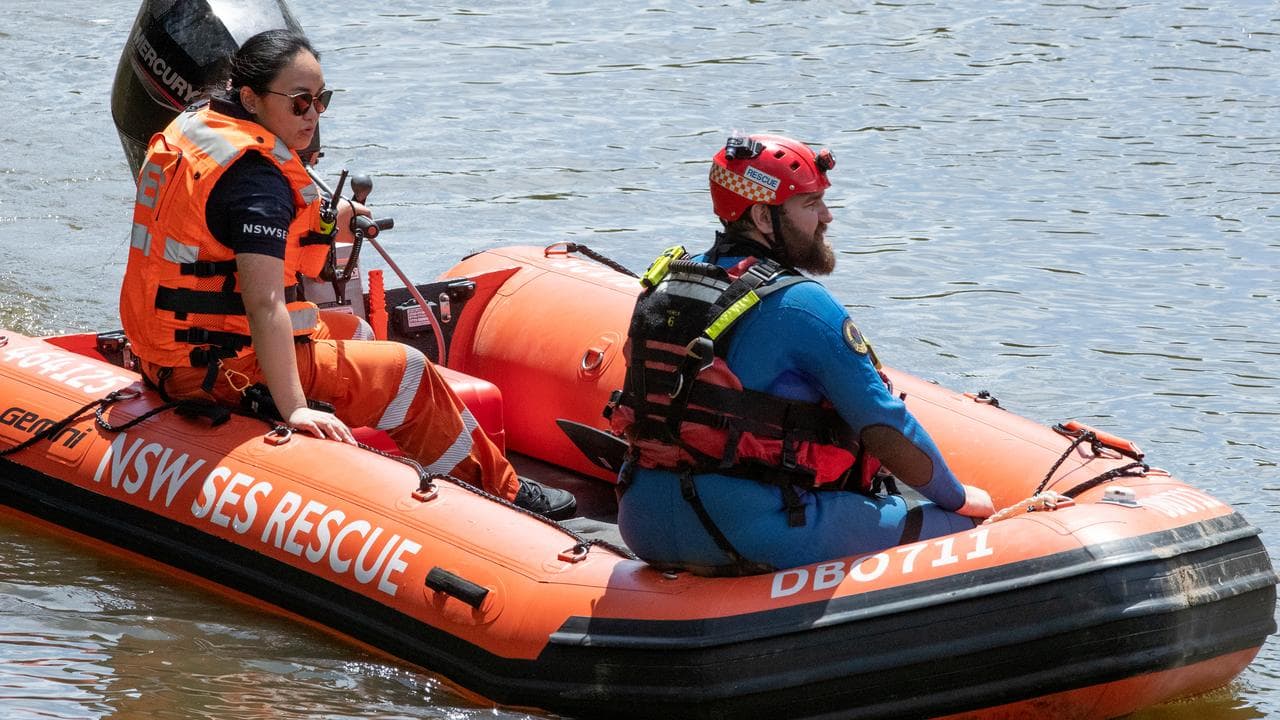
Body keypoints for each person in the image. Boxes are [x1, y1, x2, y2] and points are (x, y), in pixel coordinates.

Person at [119, 29, 574, 519]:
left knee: (355, 331)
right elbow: (264, 303)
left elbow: (220, 229)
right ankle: (501, 495)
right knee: (408, 371)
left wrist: (330, 219)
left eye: (321, 100)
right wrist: (294, 407)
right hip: (221, 369)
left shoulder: (200, 129)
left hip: (175, 350)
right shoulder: (256, 181)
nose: (313, 115)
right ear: (250, 98)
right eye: (299, 102)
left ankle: (348, 460)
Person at [610, 133, 992, 575]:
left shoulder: (664, 284)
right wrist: (958, 498)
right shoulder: (801, 304)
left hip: (643, 525)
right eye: (811, 204)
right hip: (753, 531)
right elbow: (883, 426)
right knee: (961, 526)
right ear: (763, 216)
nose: (827, 216)